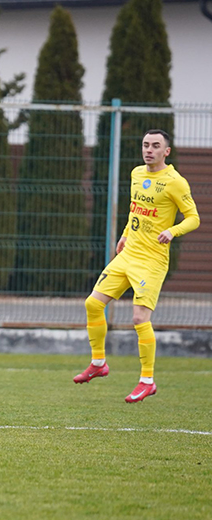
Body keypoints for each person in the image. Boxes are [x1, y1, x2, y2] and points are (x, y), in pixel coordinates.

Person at [73, 129, 200, 402]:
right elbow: (135, 209)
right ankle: (98, 363)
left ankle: (147, 381)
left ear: (167, 151)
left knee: (139, 319)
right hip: (129, 253)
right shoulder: (136, 173)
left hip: (152, 260)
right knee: (93, 304)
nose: (149, 150)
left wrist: (173, 231)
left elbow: (193, 218)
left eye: (156, 146)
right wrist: (125, 235)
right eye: (145, 145)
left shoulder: (175, 182)